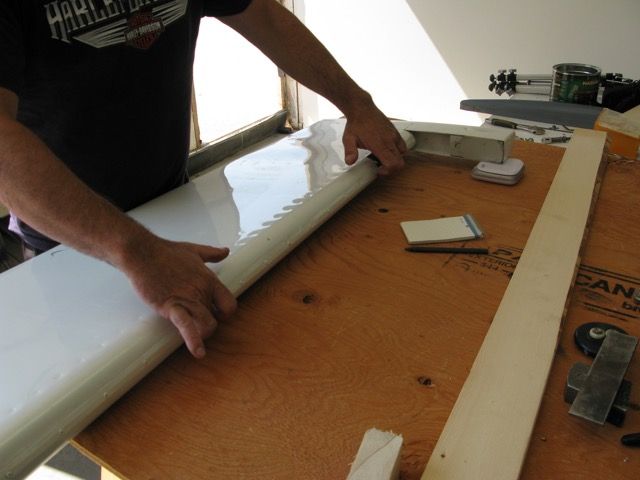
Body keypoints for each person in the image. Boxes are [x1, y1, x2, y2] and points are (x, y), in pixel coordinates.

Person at [0, 0, 407, 358]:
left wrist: (356, 103)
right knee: (100, 380)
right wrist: (137, 252)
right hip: (72, 246)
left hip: (178, 206)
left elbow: (263, 16)